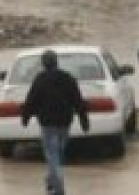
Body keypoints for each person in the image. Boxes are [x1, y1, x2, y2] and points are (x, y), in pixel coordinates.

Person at [20, 50, 90, 195]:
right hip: (65, 122)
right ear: (56, 61)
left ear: (43, 64)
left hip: (48, 123)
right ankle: (51, 182)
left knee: (53, 155)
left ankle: (58, 189)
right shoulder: (68, 78)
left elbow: (31, 100)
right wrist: (84, 119)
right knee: (57, 153)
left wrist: (25, 117)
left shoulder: (40, 79)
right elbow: (77, 100)